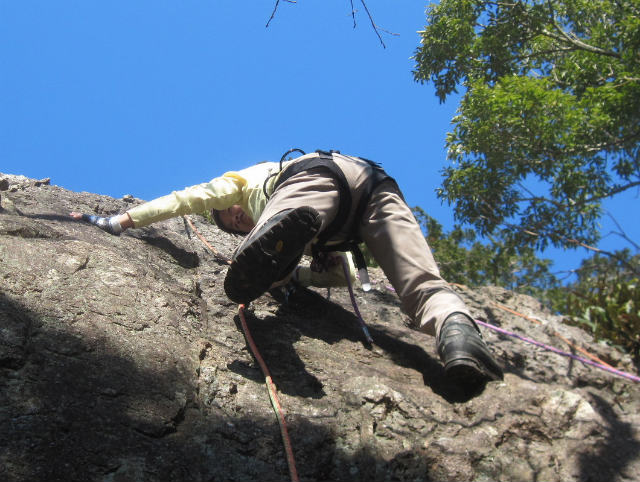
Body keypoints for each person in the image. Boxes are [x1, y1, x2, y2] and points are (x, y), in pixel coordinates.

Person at [71, 149, 503, 391]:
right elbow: (349, 277)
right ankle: (458, 334)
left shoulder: (240, 181)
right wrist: (314, 268)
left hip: (311, 181)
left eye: (232, 214)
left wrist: (120, 221)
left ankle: (279, 248)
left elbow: (185, 199)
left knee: (282, 223)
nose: (234, 218)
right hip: (373, 187)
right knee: (422, 285)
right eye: (229, 225)